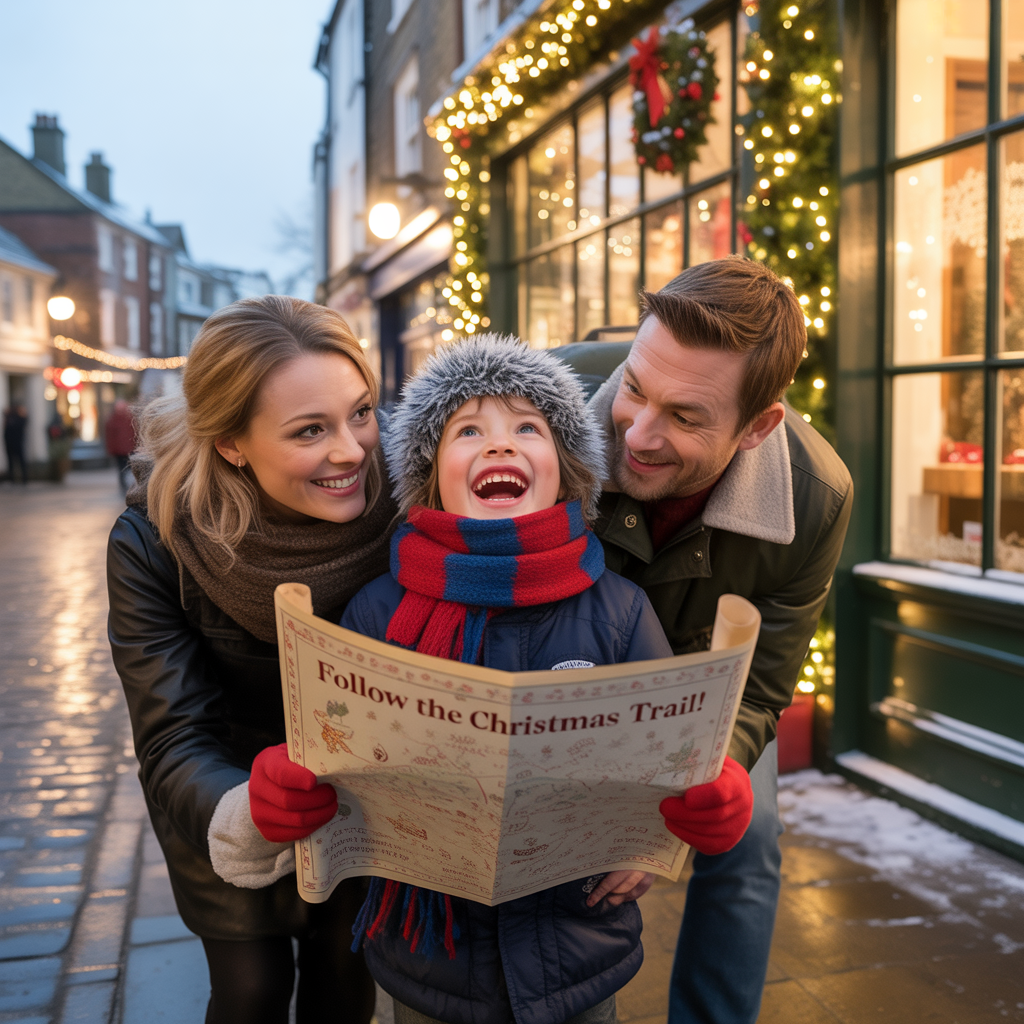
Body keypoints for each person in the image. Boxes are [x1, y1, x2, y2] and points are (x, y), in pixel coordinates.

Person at [333, 335, 732, 1024]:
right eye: (468, 431)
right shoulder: (379, 609)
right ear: (431, 475)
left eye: (527, 427)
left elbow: (672, 752)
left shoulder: (616, 609)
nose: (499, 445)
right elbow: (342, 756)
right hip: (431, 953)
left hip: (576, 942)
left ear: (566, 468)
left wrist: (652, 839)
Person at [564, 256, 853, 1024]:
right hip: (554, 664)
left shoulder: (817, 498)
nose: (640, 433)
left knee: (746, 836)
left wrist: (704, 783)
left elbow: (761, 686)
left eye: (687, 416)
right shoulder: (543, 420)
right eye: (635, 387)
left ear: (762, 425)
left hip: (700, 694)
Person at [106, 296, 398, 1024]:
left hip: (366, 800)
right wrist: (242, 806)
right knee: (252, 991)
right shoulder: (157, 540)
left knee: (345, 978)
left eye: (360, 412)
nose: (353, 450)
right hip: (227, 802)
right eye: (310, 430)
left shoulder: (411, 496)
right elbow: (172, 733)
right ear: (232, 441)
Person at [105, 398, 137, 492]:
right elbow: (110, 437)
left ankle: (129, 486)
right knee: (122, 469)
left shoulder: (131, 418)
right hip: (120, 451)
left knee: (128, 469)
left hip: (129, 449)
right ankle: (124, 486)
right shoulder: (112, 420)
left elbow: (136, 434)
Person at [3, 404, 28, 484]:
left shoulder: (19, 419)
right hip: (10, 443)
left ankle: (24, 479)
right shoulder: (9, 418)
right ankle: (12, 479)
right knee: (11, 462)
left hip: (18, 443)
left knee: (20, 461)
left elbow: (24, 422)